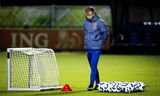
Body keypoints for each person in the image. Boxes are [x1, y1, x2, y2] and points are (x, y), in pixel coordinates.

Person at [83, 6, 109, 91]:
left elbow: (105, 33)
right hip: (88, 48)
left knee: (93, 66)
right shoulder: (85, 22)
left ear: (94, 13)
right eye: (88, 14)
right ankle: (98, 84)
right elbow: (85, 33)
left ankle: (91, 84)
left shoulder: (100, 22)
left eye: (90, 14)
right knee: (93, 67)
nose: (89, 16)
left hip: (96, 48)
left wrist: (101, 42)